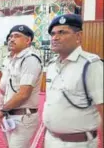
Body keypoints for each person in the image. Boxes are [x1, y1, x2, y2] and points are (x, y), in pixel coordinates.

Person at [43, 14, 103, 148]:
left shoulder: (91, 65)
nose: (55, 38)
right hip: (51, 139)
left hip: (78, 143)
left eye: (62, 32)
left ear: (78, 36)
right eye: (52, 34)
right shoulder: (52, 65)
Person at [0, 25, 42, 148]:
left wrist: (2, 110)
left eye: (17, 36)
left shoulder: (30, 60)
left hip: (23, 117)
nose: (11, 39)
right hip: (8, 115)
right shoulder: (9, 59)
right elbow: (5, 90)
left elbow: (23, 93)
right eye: (10, 36)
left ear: (28, 40)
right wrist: (3, 111)